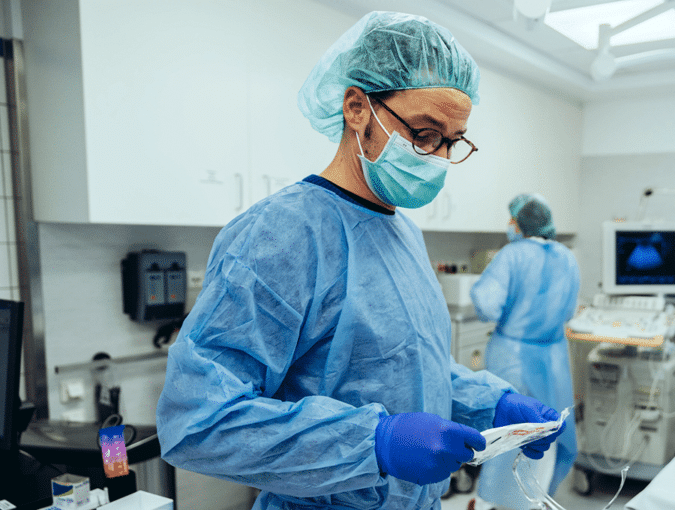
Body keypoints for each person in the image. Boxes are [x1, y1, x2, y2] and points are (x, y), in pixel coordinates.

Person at [156, 12, 564, 510]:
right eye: (424, 133)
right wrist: (373, 442)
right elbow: (197, 421)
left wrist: (491, 405)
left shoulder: (403, 233)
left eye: (452, 141)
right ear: (356, 108)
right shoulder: (281, 234)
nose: (436, 157)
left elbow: (410, 369)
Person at [469, 194, 580, 510]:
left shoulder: (512, 255)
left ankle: (495, 501)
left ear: (520, 224)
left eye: (512, 219)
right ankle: (539, 498)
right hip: (554, 357)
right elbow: (569, 310)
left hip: (513, 356)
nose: (509, 226)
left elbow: (487, 304)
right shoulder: (567, 257)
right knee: (549, 430)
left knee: (509, 432)